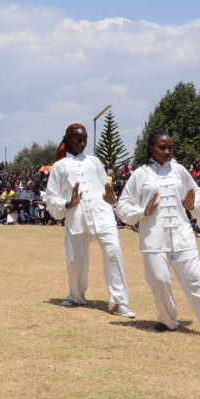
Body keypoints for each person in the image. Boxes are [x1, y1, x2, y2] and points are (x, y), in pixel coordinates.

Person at [117, 130, 200, 341]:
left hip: (182, 236)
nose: (167, 151)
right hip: (153, 238)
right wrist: (142, 211)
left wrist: (193, 205)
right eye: (162, 147)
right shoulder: (140, 174)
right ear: (151, 148)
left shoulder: (180, 171)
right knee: (159, 280)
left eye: (170, 147)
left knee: (196, 280)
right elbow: (123, 207)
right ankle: (168, 320)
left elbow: (196, 193)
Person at [46, 123, 135, 318]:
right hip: (77, 216)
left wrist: (112, 199)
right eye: (78, 140)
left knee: (114, 254)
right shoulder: (60, 167)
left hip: (102, 214)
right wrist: (67, 203)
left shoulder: (94, 161)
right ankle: (76, 296)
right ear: (68, 140)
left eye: (85, 139)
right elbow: (51, 198)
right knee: (75, 261)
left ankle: (119, 302)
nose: (83, 143)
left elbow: (107, 190)